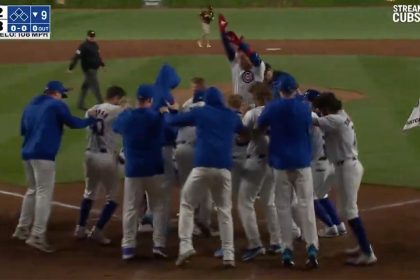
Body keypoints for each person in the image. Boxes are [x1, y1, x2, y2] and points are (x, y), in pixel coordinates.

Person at [13, 80, 96, 252]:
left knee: (32, 190)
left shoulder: (30, 105)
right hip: (43, 154)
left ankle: (21, 229)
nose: (62, 97)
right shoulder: (56, 105)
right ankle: (37, 235)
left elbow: (23, 129)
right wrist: (90, 120)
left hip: (27, 153)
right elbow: (73, 123)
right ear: (56, 93)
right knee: (44, 193)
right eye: (62, 94)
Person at [167, 87, 244, 268]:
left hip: (201, 167)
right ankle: (229, 254)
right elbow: (244, 132)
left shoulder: (201, 112)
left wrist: (169, 111)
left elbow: (173, 121)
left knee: (186, 204)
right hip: (224, 168)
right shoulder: (231, 115)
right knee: (224, 210)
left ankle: (185, 245)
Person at [257, 74, 319, 268]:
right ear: (294, 89)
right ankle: (312, 248)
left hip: (280, 163)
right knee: (306, 205)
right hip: (302, 162)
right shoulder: (305, 108)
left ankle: (286, 250)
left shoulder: (272, 107)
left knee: (282, 207)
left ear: (280, 90)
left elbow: (260, 126)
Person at [312, 92, 377, 265]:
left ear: (326, 108)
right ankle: (363, 247)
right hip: (342, 167)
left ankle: (367, 253)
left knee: (350, 210)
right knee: (344, 210)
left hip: (347, 167)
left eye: (321, 109)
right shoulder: (341, 115)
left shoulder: (336, 120)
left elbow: (313, 120)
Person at [113, 84, 171, 260]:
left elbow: (116, 127)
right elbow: (166, 132)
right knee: (159, 207)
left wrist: (126, 111)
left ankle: (128, 247)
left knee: (131, 208)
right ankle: (158, 245)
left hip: (133, 170)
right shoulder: (156, 117)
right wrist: (164, 112)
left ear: (138, 99)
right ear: (150, 100)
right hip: (154, 168)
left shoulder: (127, 117)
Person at [74, 86, 127, 245]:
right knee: (112, 197)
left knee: (89, 192)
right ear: (116, 97)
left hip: (89, 154)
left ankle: (80, 228)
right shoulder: (117, 109)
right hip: (105, 158)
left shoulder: (91, 109)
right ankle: (97, 231)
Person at [236, 82, 282, 261]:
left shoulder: (252, 113)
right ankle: (277, 241)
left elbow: (242, 137)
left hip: (256, 162)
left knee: (244, 202)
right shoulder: (278, 112)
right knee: (269, 202)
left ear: (257, 97)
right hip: (273, 163)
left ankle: (255, 244)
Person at [174, 77, 213, 236]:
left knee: (187, 188)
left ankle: (190, 225)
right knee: (205, 187)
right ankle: (203, 221)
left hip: (181, 149)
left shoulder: (186, 106)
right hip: (198, 151)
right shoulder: (209, 109)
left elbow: (173, 122)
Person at [304, 89, 347, 238]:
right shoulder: (331, 118)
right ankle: (339, 225)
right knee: (322, 195)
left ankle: (330, 226)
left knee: (309, 198)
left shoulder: (312, 117)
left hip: (317, 165)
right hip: (330, 164)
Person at [153, 63, 181, 232]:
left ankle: (148, 218)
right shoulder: (166, 95)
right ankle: (160, 224)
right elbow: (170, 124)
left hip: (148, 147)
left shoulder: (150, 92)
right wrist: (175, 113)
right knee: (165, 185)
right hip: (165, 146)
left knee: (149, 184)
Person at [219, 14, 266, 107]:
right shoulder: (235, 64)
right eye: (239, 57)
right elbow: (228, 50)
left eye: (243, 58)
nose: (240, 60)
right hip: (237, 106)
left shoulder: (258, 67)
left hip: (254, 106)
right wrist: (222, 32)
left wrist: (240, 43)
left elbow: (254, 57)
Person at [68, 30, 105, 111]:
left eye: (93, 36)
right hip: (88, 69)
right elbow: (76, 56)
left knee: (85, 87)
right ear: (87, 36)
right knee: (95, 87)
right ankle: (103, 105)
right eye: (91, 36)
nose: (92, 38)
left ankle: (80, 104)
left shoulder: (95, 45)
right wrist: (71, 67)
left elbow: (97, 56)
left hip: (94, 68)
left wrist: (101, 64)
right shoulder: (83, 46)